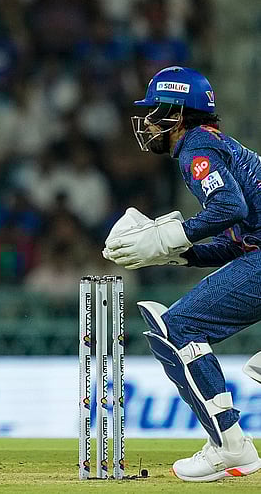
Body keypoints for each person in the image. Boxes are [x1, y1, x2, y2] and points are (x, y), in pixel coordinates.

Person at [103, 66, 261, 481]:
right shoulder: (214, 144)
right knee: (181, 325)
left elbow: (229, 209)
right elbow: (239, 241)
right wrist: (175, 256)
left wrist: (166, 236)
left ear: (178, 113)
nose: (149, 122)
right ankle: (231, 445)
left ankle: (230, 447)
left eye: (156, 111)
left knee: (179, 326)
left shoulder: (196, 146)